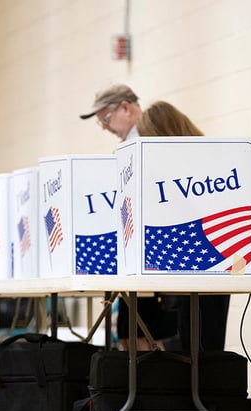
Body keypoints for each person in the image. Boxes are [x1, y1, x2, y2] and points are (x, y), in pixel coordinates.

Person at [80, 85, 176, 350]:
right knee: (128, 332)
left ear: (125, 107)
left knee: (145, 335)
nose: (104, 127)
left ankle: (149, 389)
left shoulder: (150, 137)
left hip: (151, 251)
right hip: (132, 253)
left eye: (106, 119)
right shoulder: (125, 148)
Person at [136, 101, 232, 353]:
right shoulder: (205, 157)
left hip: (204, 263)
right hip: (207, 262)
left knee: (200, 349)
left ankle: (201, 392)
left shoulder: (191, 165)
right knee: (202, 346)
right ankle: (200, 392)